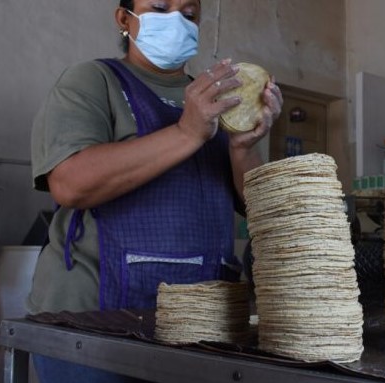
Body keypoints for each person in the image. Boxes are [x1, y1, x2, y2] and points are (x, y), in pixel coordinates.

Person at [28, 0, 283, 381]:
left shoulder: (216, 101)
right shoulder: (92, 81)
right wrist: (186, 133)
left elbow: (262, 213)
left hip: (200, 326)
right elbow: (69, 182)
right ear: (123, 18)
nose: (176, 21)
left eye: (189, 13)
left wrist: (243, 148)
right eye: (160, 7)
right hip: (93, 324)